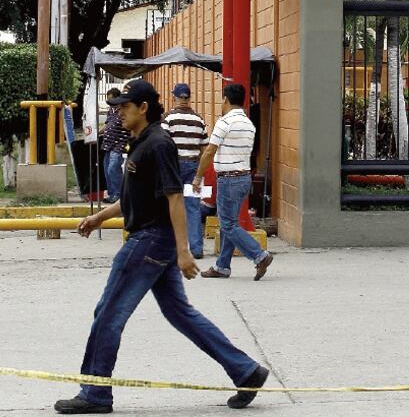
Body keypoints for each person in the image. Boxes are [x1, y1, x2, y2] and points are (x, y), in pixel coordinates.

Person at [54, 80, 269, 415]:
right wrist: (99, 218)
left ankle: (95, 392)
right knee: (180, 313)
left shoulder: (159, 143)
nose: (120, 112)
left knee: (108, 313)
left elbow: (174, 198)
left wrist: (184, 250)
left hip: (150, 241)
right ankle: (246, 371)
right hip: (155, 240)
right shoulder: (140, 142)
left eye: (125, 106)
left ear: (143, 108)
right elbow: (134, 199)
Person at [193, 83, 273, 281]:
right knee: (230, 222)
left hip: (228, 179)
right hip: (244, 178)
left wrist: (198, 177)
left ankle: (259, 255)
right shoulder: (249, 124)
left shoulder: (225, 122)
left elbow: (210, 151)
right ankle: (222, 266)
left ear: (226, 100)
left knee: (228, 224)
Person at [162, 82, 209, 258]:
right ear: (189, 98)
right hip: (192, 166)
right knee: (192, 207)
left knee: (170, 205)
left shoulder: (168, 119)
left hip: (173, 166)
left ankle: (170, 247)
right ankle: (196, 249)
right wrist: (199, 174)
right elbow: (205, 150)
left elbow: (163, 145)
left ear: (175, 97)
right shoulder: (199, 120)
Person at [101, 88, 131, 204]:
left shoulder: (123, 110)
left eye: (111, 100)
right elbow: (107, 125)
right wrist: (96, 133)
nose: (109, 103)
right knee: (107, 169)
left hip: (119, 144)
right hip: (108, 144)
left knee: (113, 168)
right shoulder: (111, 111)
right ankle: (111, 193)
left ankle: (118, 194)